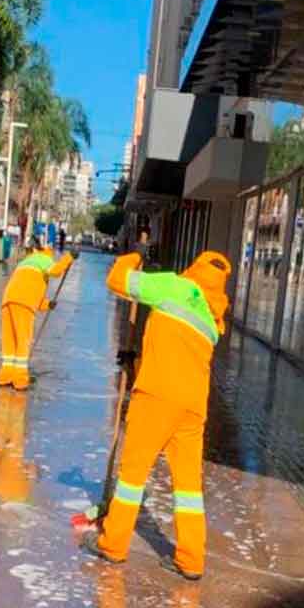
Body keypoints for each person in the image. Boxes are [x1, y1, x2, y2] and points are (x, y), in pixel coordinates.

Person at [81, 249, 231, 581]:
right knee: (189, 486)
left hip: (157, 396)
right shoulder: (212, 315)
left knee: (133, 475)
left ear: (193, 267)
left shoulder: (174, 286)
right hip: (193, 408)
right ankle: (191, 559)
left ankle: (113, 543)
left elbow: (116, 280)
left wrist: (132, 258)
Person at [0, 245, 76, 390]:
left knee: (10, 340)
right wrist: (69, 258)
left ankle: (5, 375)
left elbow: (31, 289)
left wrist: (47, 304)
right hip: (24, 304)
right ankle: (20, 379)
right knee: (23, 340)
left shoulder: (25, 263)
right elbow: (56, 271)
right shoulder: (44, 258)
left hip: (7, 301)